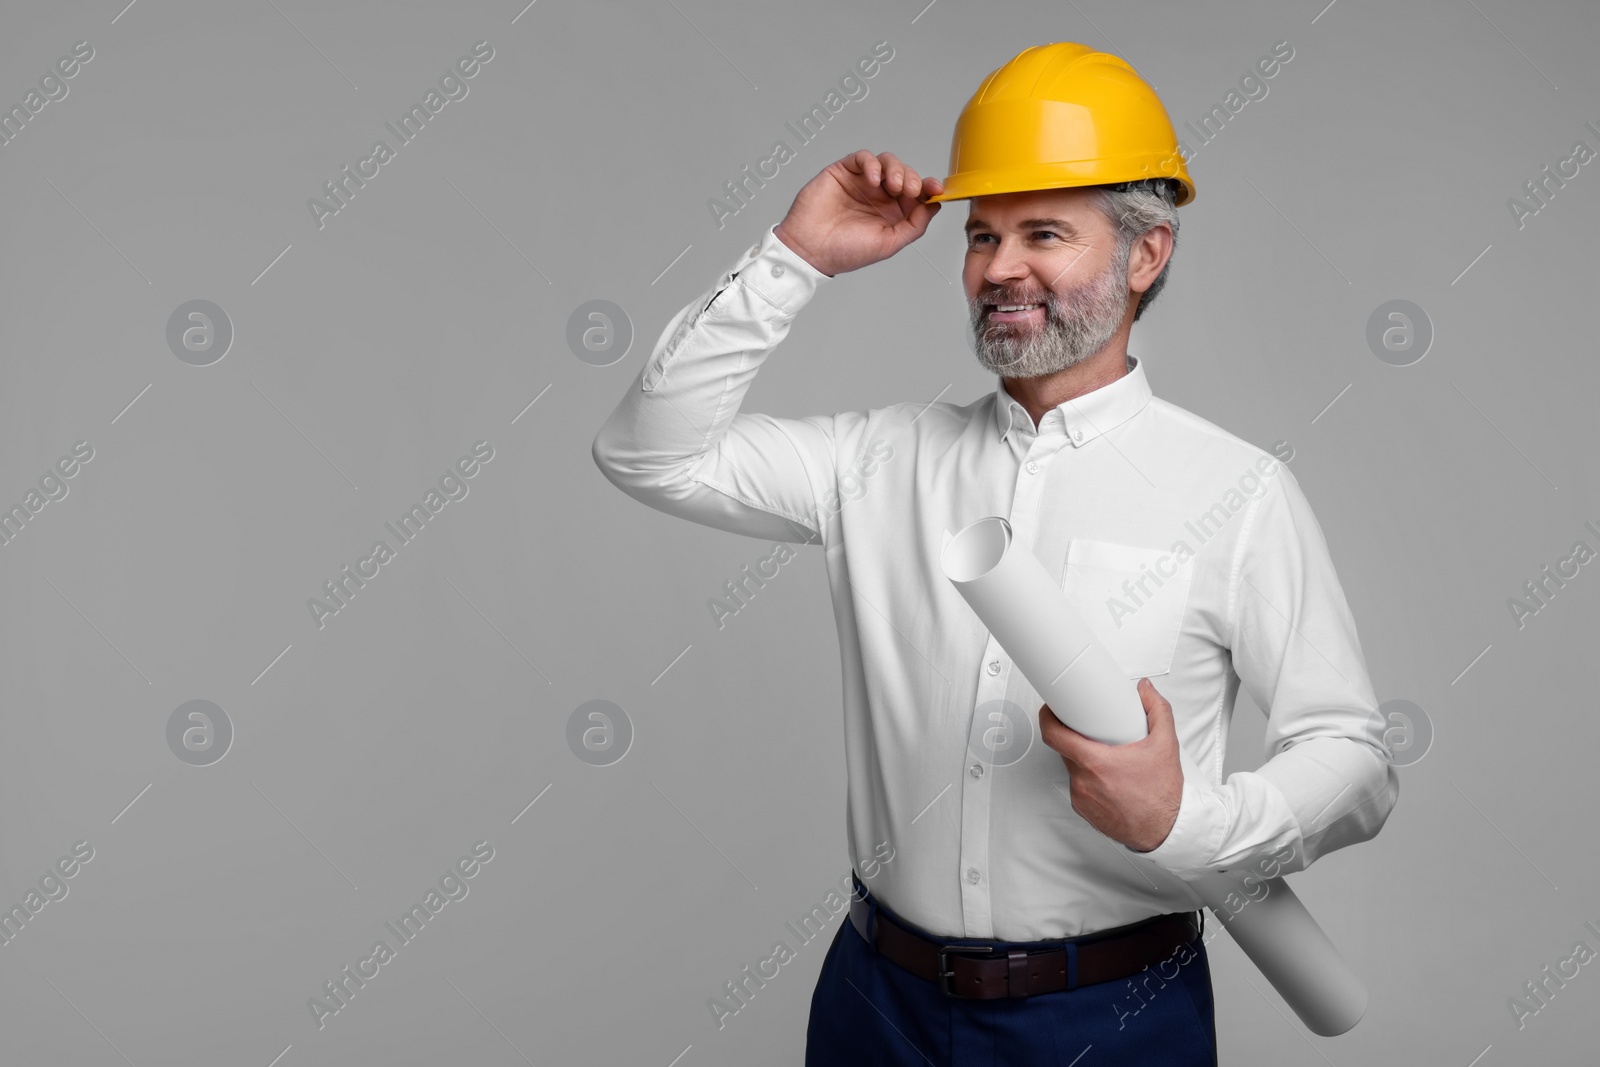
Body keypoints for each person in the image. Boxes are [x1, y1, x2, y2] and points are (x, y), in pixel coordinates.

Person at [592, 42, 1398, 1066]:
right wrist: (793, 258)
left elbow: (1355, 758)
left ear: (1144, 255)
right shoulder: (876, 460)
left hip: (1111, 1018)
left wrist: (1193, 820)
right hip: (875, 1005)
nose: (999, 268)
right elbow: (646, 452)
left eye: (1044, 233)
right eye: (981, 236)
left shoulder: (1235, 494)